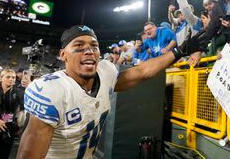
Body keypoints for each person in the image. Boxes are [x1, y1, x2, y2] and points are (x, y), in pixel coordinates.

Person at [17, 25, 184, 158]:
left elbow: (140, 72)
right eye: (79, 45)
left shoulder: (106, 72)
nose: (89, 50)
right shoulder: (51, 91)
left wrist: (178, 52)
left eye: (93, 45)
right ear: (63, 55)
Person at [0, 68, 21, 159]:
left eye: (13, 77)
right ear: (1, 78)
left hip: (8, 132)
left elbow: (17, 114)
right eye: (8, 77)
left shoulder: (18, 94)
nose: (11, 79)